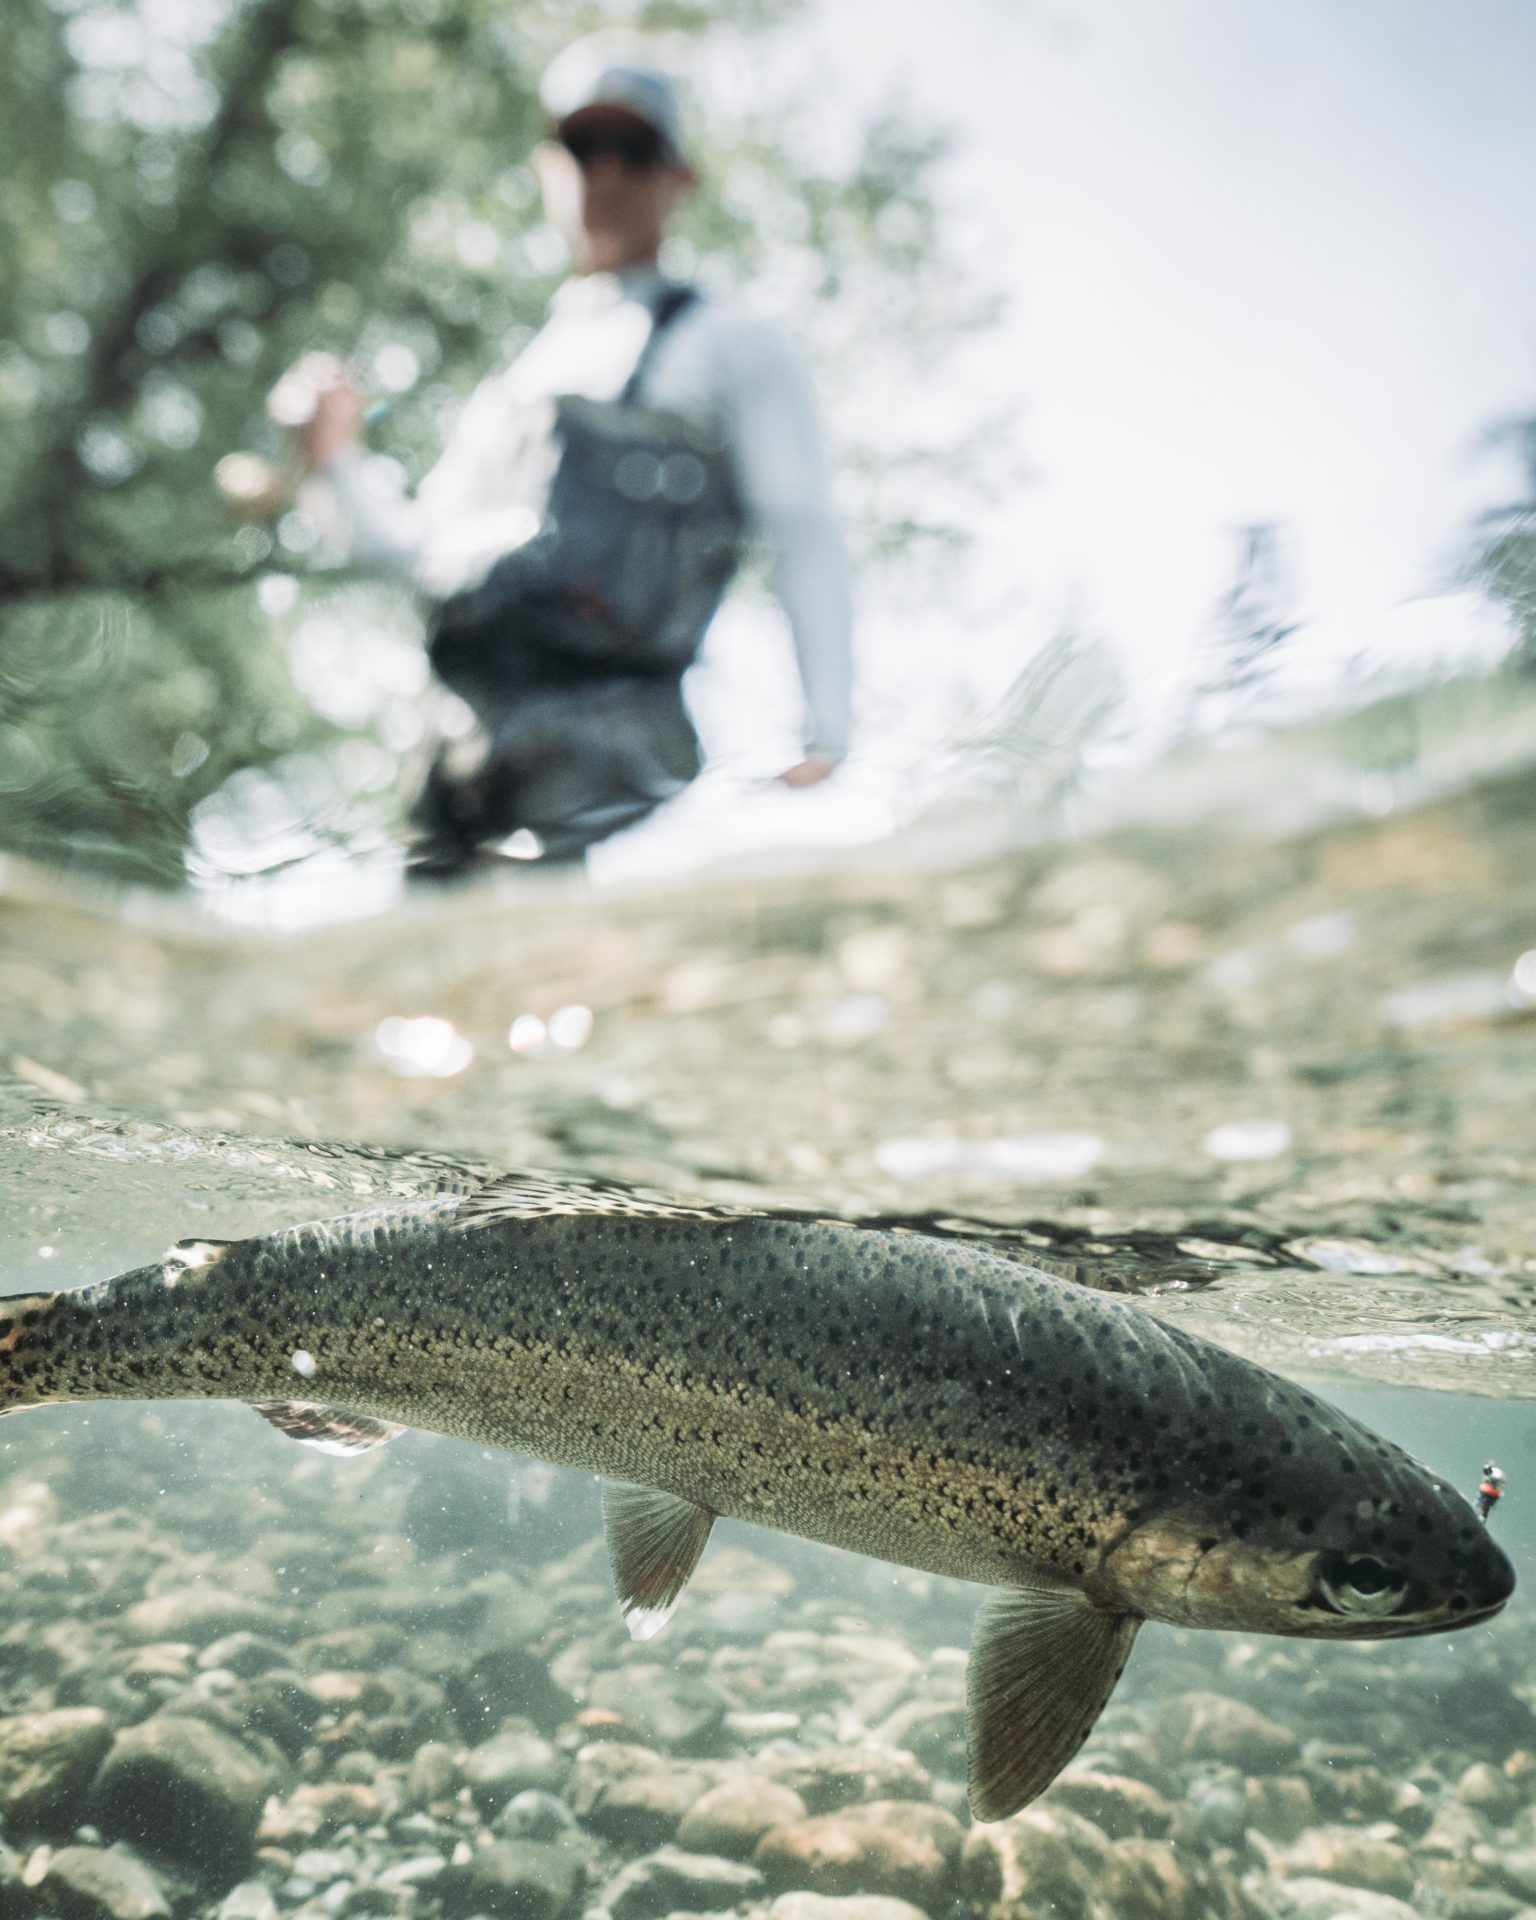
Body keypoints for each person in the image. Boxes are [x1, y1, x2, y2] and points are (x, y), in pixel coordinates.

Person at [283, 36, 852, 873]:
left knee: (573, 984)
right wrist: (329, 460)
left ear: (677, 176)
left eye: (634, 148)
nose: (607, 173)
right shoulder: (515, 384)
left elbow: (804, 531)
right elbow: (419, 552)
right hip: (456, 759)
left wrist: (826, 732)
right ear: (550, 165)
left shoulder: (732, 344)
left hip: (618, 781)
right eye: (584, 147)